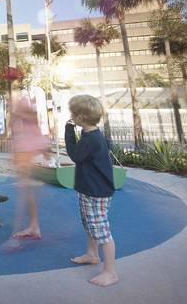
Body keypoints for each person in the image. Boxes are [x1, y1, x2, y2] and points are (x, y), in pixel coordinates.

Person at [65, 94, 118, 287]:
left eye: (72, 113)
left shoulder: (92, 139)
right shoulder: (93, 134)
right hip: (89, 189)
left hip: (95, 192)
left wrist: (69, 131)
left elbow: (75, 155)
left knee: (102, 232)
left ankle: (110, 272)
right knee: (89, 224)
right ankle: (92, 254)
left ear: (80, 118)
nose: (71, 116)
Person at [0, 95, 47, 252]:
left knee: (23, 193)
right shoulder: (17, 115)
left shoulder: (25, 111)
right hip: (24, 152)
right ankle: (34, 226)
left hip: (27, 152)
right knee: (27, 193)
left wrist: (16, 112)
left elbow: (33, 126)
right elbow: (16, 135)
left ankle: (16, 235)